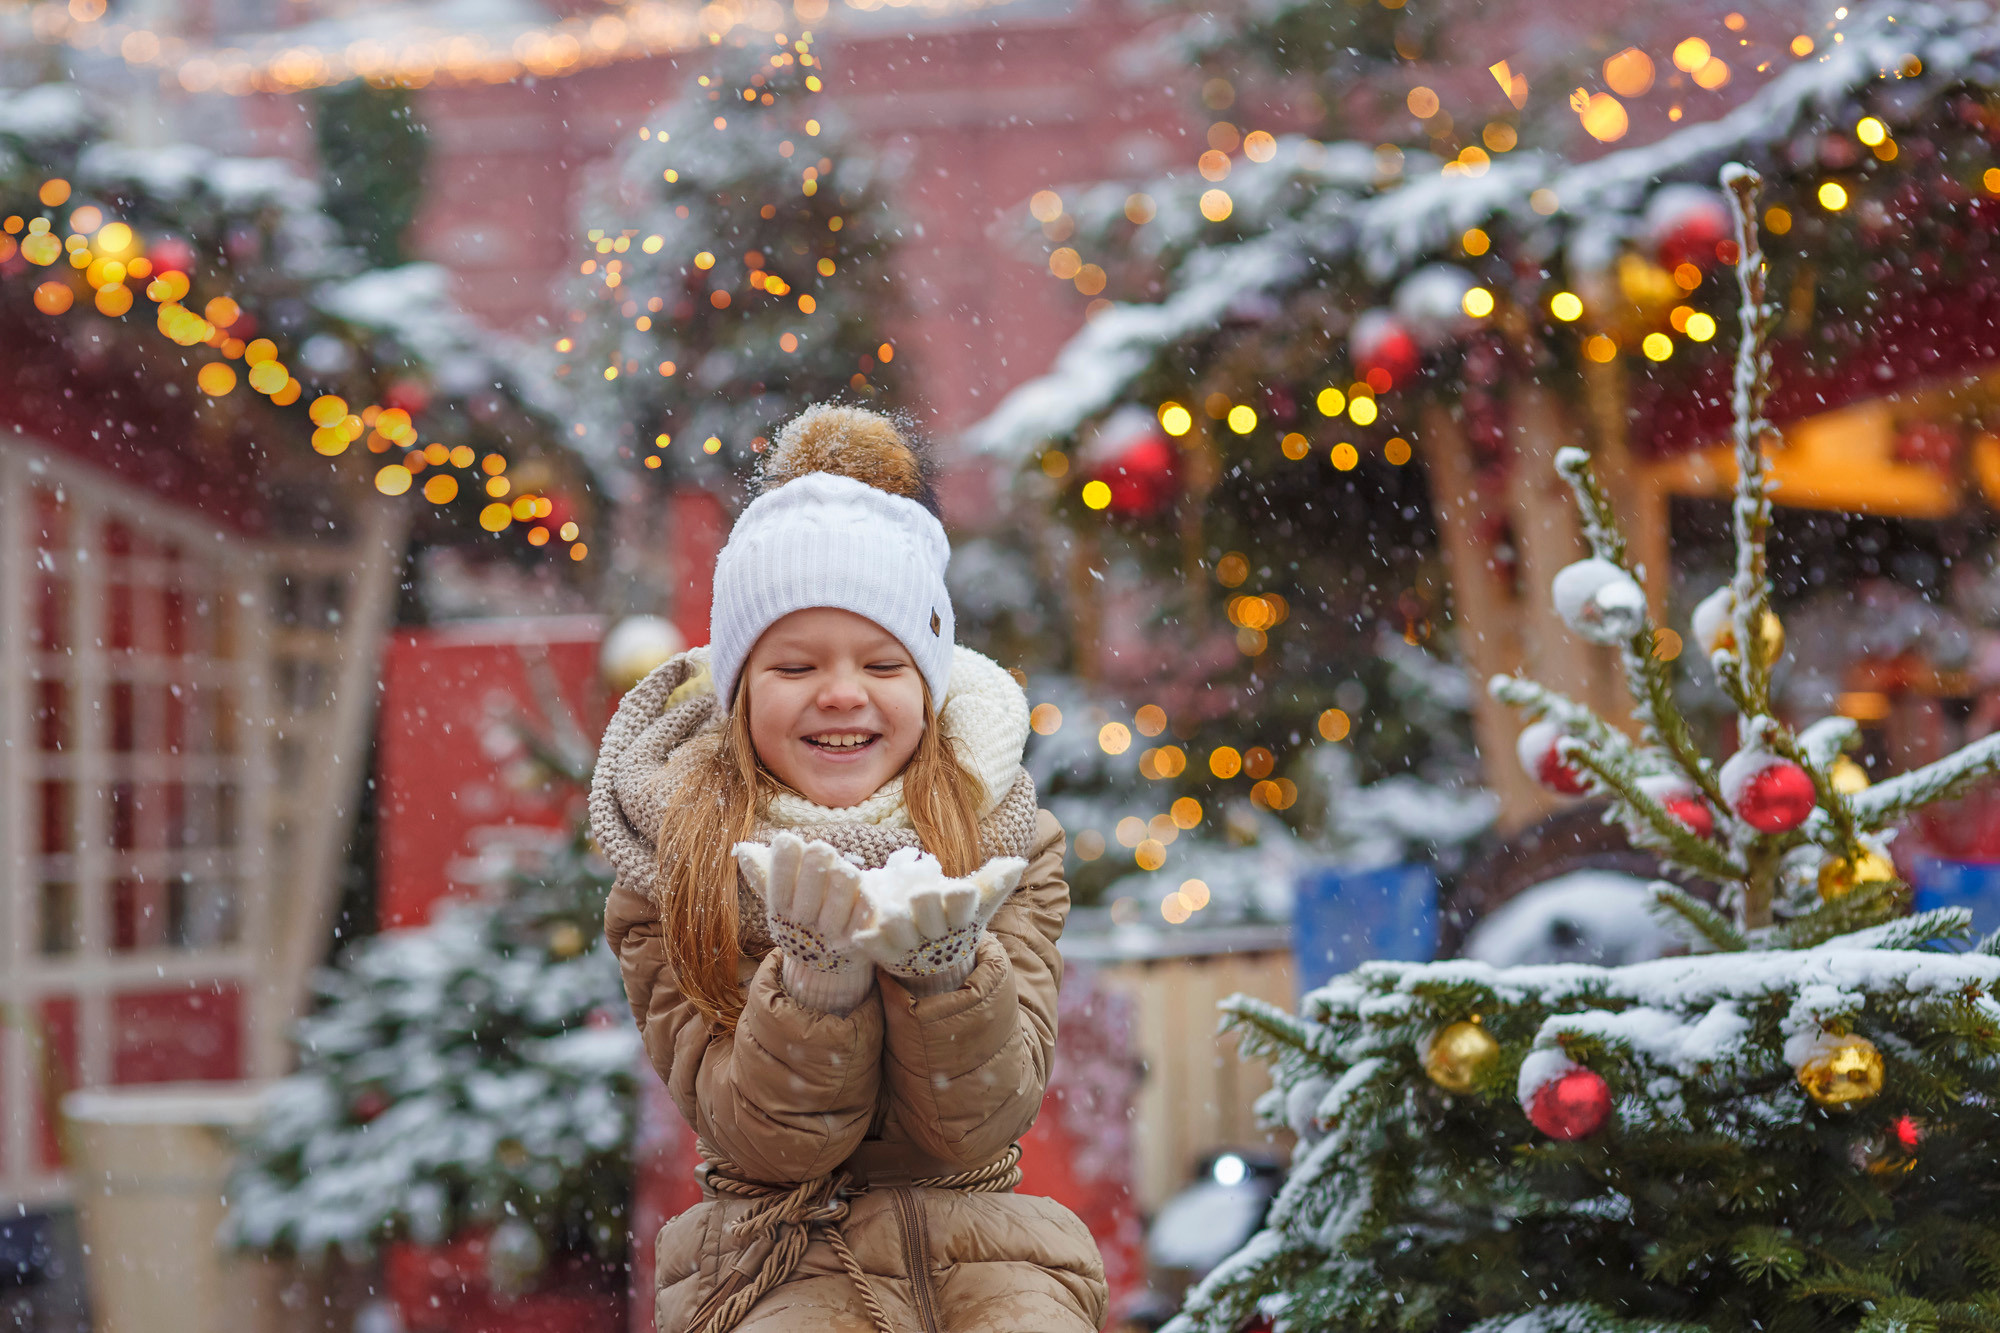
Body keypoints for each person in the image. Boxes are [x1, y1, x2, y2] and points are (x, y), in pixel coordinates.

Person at [590, 403, 1108, 1333]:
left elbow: (978, 1120)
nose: (841, 692)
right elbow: (764, 1135)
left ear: (928, 684)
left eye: (881, 660)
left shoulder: (1008, 838)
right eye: (795, 664)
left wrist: (944, 972)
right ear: (743, 690)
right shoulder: (667, 866)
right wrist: (816, 982)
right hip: (777, 1253)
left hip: (992, 1253)